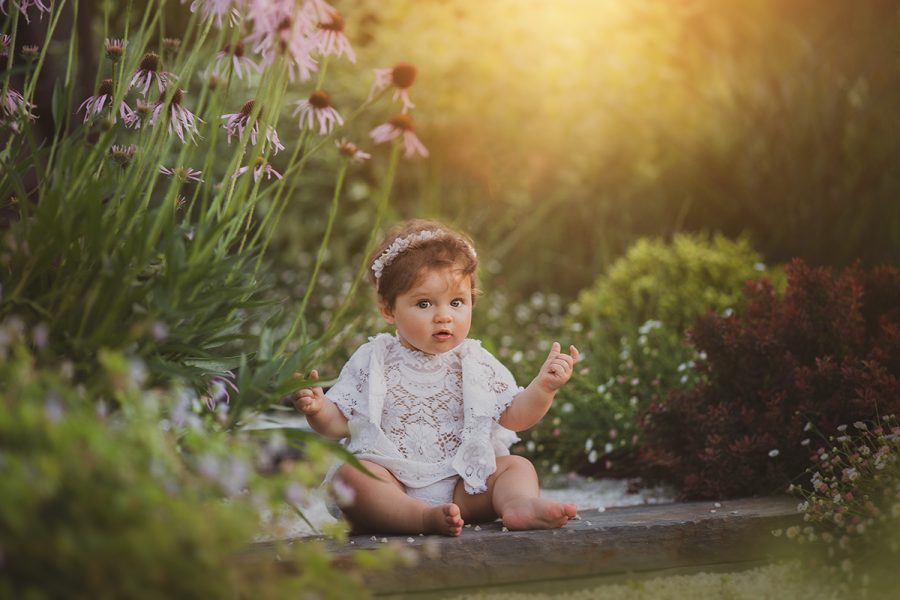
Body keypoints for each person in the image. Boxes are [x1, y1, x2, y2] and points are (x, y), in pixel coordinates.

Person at [293, 219, 579, 536]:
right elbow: (339, 423)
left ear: (472, 302)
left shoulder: (476, 361)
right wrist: (318, 409)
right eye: (424, 303)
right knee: (352, 476)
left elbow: (514, 416)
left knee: (516, 468)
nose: (444, 315)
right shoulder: (374, 358)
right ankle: (419, 517)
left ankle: (519, 505)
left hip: (463, 484)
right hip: (392, 482)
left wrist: (544, 388)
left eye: (457, 302)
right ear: (388, 310)